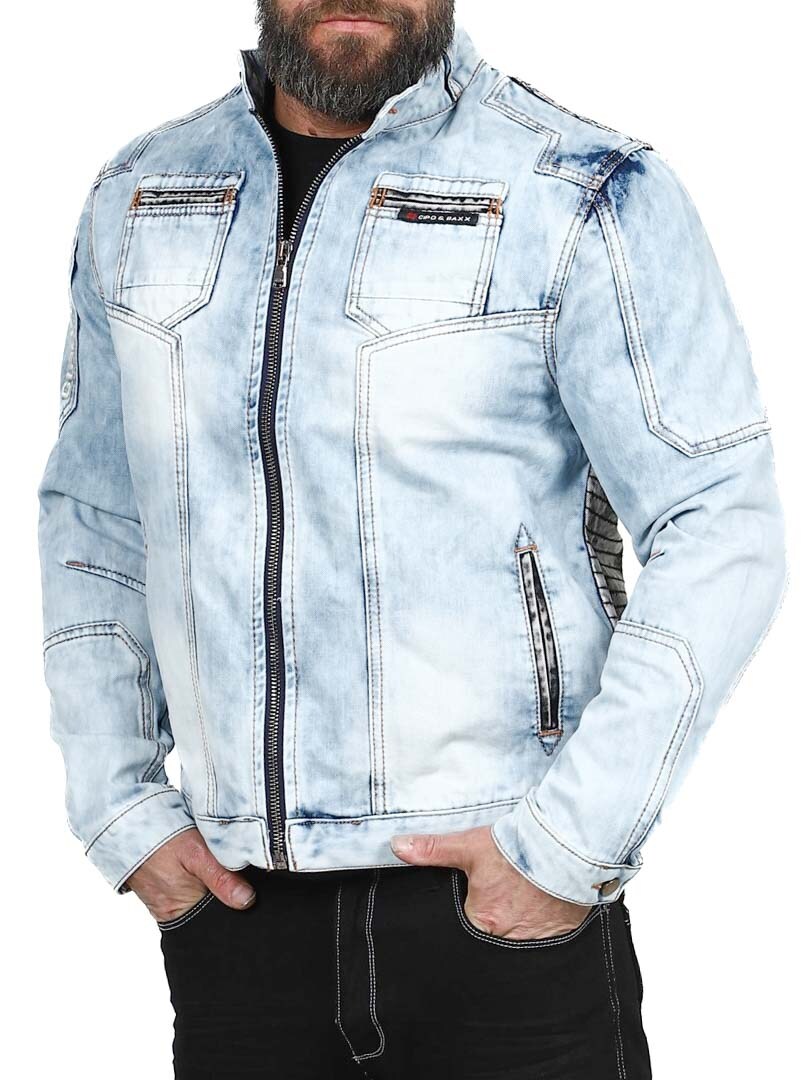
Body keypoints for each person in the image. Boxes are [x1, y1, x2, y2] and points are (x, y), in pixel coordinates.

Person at [37, 1, 787, 1076]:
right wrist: (121, 808)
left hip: (505, 914)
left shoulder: (580, 186)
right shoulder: (143, 195)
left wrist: (567, 848)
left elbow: (720, 519)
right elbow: (96, 515)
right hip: (237, 922)